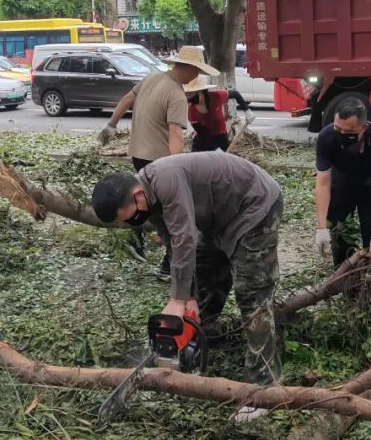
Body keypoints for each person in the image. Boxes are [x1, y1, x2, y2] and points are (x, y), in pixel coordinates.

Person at [91, 153, 283, 394]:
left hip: (253, 205)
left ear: (137, 195)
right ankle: (200, 342)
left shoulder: (165, 180)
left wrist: (176, 299)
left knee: (251, 293)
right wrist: (188, 296)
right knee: (203, 271)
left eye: (127, 219)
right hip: (219, 218)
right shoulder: (149, 199)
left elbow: (184, 236)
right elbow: (174, 246)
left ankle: (264, 384)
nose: (128, 225)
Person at [100, 46, 220, 279]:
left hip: (137, 155)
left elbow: (126, 99)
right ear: (190, 68)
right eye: (197, 71)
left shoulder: (151, 77)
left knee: (149, 208)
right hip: (160, 162)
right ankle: (171, 264)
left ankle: (145, 247)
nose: (197, 76)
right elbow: (175, 134)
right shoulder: (176, 94)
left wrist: (111, 125)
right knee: (172, 214)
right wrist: (179, 169)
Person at [313, 97, 371, 268]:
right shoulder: (326, 137)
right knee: (341, 236)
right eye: (338, 128)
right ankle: (343, 279)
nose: (342, 134)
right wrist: (321, 227)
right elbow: (322, 182)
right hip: (341, 186)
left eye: (349, 131)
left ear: (363, 127)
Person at [185, 76, 256, 152]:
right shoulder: (191, 111)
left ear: (201, 91)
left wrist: (247, 111)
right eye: (187, 94)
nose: (188, 97)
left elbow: (235, 94)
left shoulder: (216, 97)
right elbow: (202, 133)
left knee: (226, 161)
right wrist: (215, 148)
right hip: (203, 141)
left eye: (191, 94)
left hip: (221, 138)